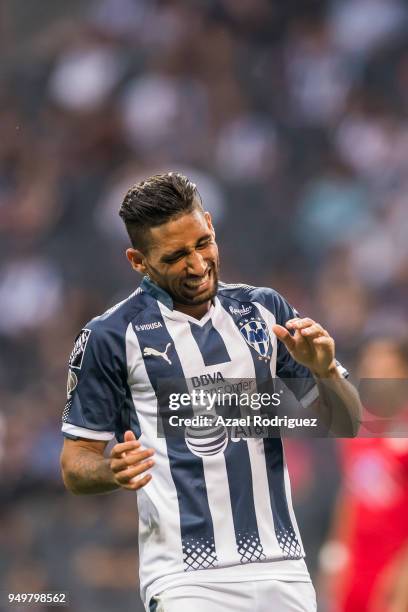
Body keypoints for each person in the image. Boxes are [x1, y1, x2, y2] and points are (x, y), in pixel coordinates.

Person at [60, 172, 361, 612]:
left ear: (211, 224)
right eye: (176, 255)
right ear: (137, 260)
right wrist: (112, 471)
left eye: (203, 243)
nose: (198, 265)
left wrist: (326, 371)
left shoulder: (265, 310)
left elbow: (347, 423)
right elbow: (75, 465)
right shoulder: (109, 336)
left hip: (284, 570)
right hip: (187, 579)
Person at [318, 337, 408, 612]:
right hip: (356, 571)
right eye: (370, 366)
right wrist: (334, 556)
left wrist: (402, 577)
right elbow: (351, 494)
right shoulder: (356, 430)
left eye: (385, 367)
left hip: (395, 572)